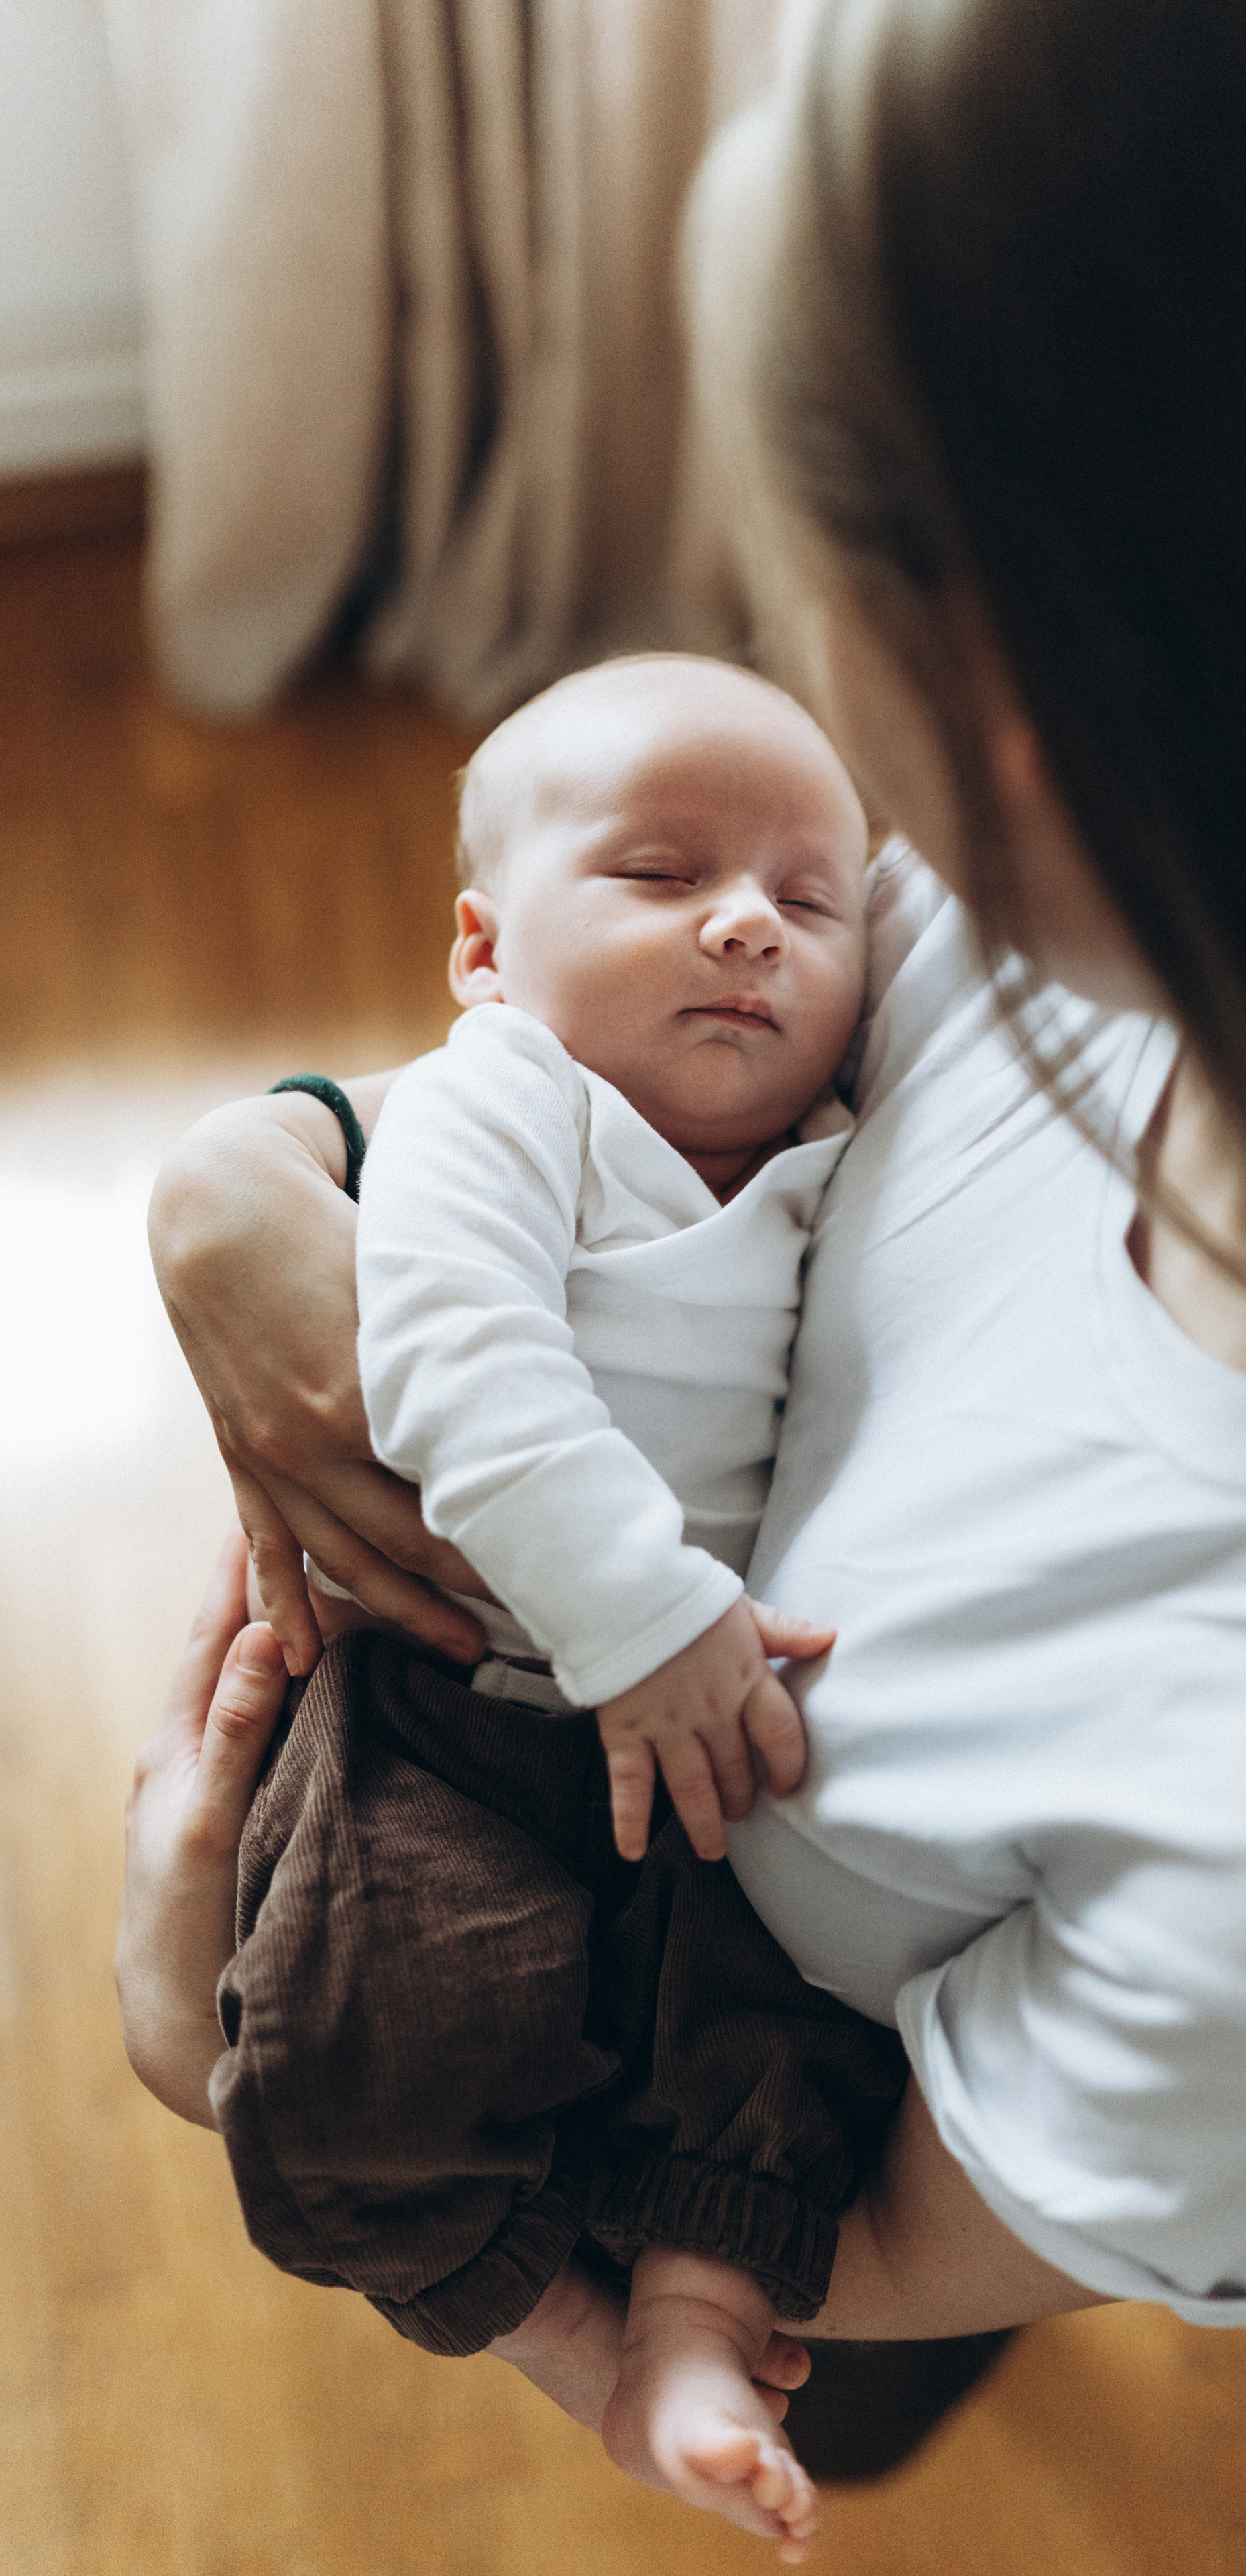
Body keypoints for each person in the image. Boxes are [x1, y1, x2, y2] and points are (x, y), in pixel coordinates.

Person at [122, 0, 1246, 2540]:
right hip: (732, 1908)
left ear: (1032, 716)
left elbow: (854, 2238)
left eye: (798, 588)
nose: (771, 894)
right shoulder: (1131, 903)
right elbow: (590, 1108)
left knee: (859, 2390)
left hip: (784, 2133)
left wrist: (251, 2069)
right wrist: (255, 1177)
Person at [214, 651, 915, 2561]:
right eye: (663, 873)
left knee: (790, 2026)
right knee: (388, 2016)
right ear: (484, 950)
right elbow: (455, 1364)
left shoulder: (837, 1149)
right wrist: (645, 1616)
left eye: (808, 895)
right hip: (476, 1693)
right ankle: (561, 2334)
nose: (750, 924)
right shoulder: (504, 1103)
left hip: (710, 1722)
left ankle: (692, 2331)